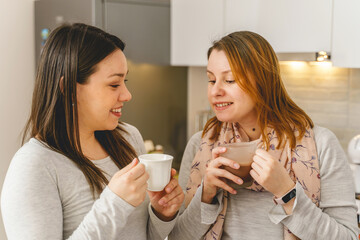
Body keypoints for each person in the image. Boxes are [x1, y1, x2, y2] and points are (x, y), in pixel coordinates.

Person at [1, 23, 184, 240]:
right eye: (114, 85)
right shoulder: (34, 166)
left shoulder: (129, 139)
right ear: (68, 88)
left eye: (124, 81)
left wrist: (162, 213)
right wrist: (115, 204)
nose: (127, 95)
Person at [169, 31, 359, 239]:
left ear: (263, 82)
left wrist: (287, 192)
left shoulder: (321, 145)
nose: (215, 91)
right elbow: (178, 236)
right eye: (211, 80)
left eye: (230, 80)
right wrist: (205, 194)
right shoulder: (201, 145)